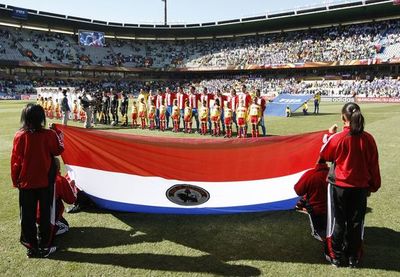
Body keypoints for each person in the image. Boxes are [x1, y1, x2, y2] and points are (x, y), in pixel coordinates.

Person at [320, 102, 381, 268]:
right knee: (356, 223)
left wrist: (328, 135)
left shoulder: (337, 138)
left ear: (342, 118)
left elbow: (324, 154)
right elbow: (373, 165)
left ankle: (336, 257)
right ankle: (353, 257)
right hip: (360, 188)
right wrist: (373, 185)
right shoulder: (368, 139)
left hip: (338, 186)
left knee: (338, 222)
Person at [11, 104, 64, 258]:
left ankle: (31, 246)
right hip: (45, 182)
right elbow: (58, 150)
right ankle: (45, 245)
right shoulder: (49, 135)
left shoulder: (20, 135)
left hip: (26, 182)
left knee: (27, 215)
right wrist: (57, 133)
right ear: (41, 118)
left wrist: (16, 180)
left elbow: (15, 161)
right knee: (46, 214)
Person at [38, 158, 77, 236]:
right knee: (65, 227)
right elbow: (71, 200)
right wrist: (72, 186)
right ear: (58, 167)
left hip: (31, 214)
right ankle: (46, 232)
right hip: (47, 216)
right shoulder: (59, 180)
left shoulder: (37, 178)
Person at [294, 160, 329, 242]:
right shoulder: (333, 172)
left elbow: (298, 190)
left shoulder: (310, 174)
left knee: (319, 232)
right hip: (332, 208)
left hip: (315, 210)